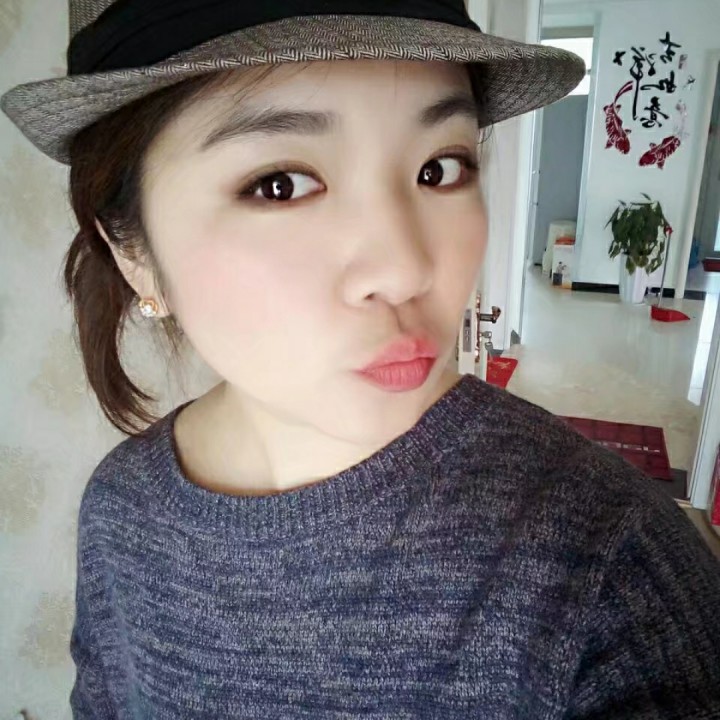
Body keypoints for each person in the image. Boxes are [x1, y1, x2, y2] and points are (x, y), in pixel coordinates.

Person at [3, 1, 719, 718]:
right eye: (281, 184)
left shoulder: (608, 565)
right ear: (132, 253)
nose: (406, 269)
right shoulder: (120, 511)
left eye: (440, 168)